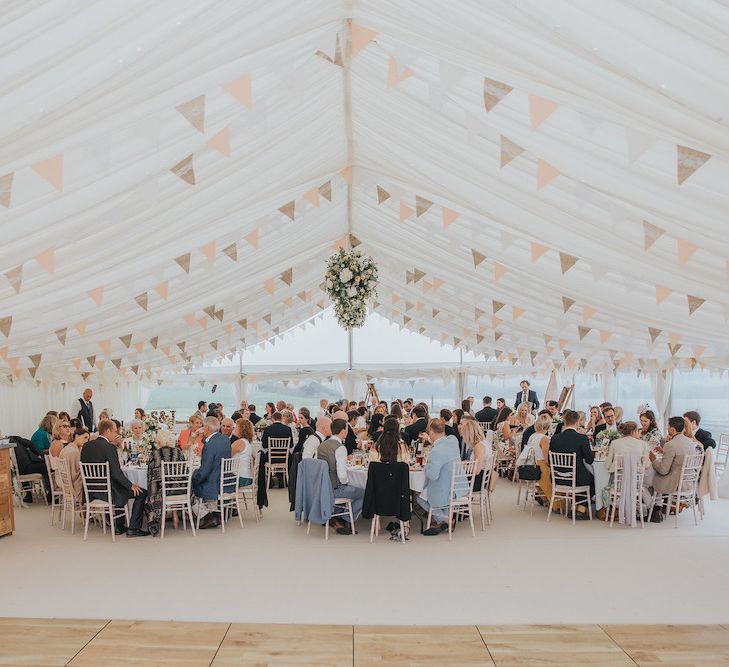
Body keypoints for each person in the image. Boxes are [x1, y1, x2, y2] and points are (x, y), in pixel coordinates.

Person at [80, 419, 148, 536]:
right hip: (107, 492)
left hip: (90, 491)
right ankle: (133, 528)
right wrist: (131, 485)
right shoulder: (109, 447)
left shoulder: (86, 446)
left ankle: (119, 526)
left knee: (120, 486)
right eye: (115, 431)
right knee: (141, 492)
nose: (116, 434)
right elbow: (116, 473)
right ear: (107, 431)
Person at [316, 418, 364, 534]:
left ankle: (335, 515)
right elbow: (342, 477)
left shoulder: (321, 446)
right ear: (343, 431)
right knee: (365, 492)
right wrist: (349, 482)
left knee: (351, 489)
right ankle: (346, 520)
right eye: (347, 428)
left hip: (322, 487)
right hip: (334, 489)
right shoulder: (340, 448)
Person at [418, 418, 461, 535]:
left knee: (420, 497)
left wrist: (426, 466)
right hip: (457, 487)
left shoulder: (436, 451)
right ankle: (445, 518)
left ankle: (445, 520)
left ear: (431, 432)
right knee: (429, 493)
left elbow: (432, 475)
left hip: (444, 489)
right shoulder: (453, 441)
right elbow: (441, 445)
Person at [548, 410, 594, 518]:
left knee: (582, 477)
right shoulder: (582, 438)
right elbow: (589, 460)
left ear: (564, 421)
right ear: (577, 421)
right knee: (592, 479)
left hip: (557, 478)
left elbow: (550, 461)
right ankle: (580, 509)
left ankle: (575, 507)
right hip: (576, 478)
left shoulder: (554, 438)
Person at [192, 417, 232, 529]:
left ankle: (207, 515)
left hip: (214, 483)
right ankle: (214, 512)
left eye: (203, 427)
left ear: (207, 428)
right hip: (225, 480)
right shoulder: (225, 439)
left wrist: (193, 477)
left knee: (188, 487)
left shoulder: (209, 446)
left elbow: (204, 471)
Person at [649, 416, 701, 500]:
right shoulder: (691, 442)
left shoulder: (670, 444)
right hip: (689, 482)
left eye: (668, 427)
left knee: (649, 479)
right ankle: (662, 506)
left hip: (675, 483)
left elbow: (663, 470)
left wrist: (653, 459)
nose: (667, 429)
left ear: (672, 429)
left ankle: (655, 506)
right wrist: (664, 452)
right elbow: (680, 455)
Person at [145, 430, 185, 536]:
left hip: (160, 490)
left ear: (158, 441)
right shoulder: (178, 452)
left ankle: (159, 516)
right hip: (178, 490)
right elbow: (184, 471)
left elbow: (150, 474)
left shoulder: (154, 454)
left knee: (156, 487)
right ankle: (175, 516)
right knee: (173, 484)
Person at [516, 413, 552, 503]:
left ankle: (545, 499)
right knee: (556, 476)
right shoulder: (544, 438)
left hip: (531, 466)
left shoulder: (532, 436)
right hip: (540, 468)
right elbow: (546, 458)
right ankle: (555, 503)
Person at [459, 418, 493, 490]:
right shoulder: (484, 442)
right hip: (483, 478)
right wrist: (468, 463)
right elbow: (479, 462)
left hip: (478, 481)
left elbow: (477, 471)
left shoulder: (478, 446)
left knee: (451, 480)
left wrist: (463, 466)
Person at [59, 426, 89, 500]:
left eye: (88, 439)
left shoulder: (67, 448)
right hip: (74, 484)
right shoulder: (73, 452)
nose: (87, 441)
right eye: (85, 438)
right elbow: (75, 474)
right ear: (76, 436)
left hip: (65, 483)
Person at [231, 419, 256, 488]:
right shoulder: (247, 442)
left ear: (242, 429)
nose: (234, 428)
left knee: (214, 478)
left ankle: (225, 498)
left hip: (240, 478)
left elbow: (226, 456)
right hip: (246, 477)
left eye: (236, 427)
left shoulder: (240, 442)